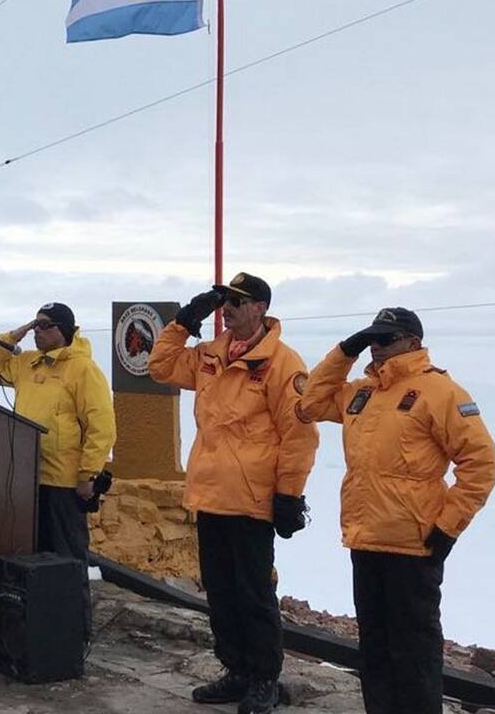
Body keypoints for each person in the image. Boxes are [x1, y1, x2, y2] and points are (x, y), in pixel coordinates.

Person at [298, 307, 495, 714]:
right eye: (371, 337)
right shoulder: (362, 392)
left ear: (413, 341)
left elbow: (481, 464)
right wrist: (344, 351)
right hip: (365, 537)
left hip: (414, 545)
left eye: (386, 338)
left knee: (414, 653)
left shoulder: (440, 392)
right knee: (375, 648)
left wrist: (446, 528)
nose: (377, 346)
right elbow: (310, 402)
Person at [148, 272, 318, 714]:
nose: (229, 310)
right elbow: (161, 366)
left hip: (251, 499)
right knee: (220, 591)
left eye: (237, 303)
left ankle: (264, 677)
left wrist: (289, 495)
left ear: (260, 308)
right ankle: (236, 670)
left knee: (253, 593)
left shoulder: (283, 364)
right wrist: (184, 321)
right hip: (210, 493)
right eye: (224, 303)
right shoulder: (210, 355)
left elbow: (299, 436)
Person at [0, 302, 116, 639]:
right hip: (28, 477)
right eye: (36, 325)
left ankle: (75, 633)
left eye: (44, 326)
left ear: (63, 330)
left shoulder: (82, 369)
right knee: (33, 557)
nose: (38, 331)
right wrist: (18, 332)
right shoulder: (27, 362)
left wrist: (88, 474)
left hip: (62, 480)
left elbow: (101, 425)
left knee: (68, 558)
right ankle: (39, 628)